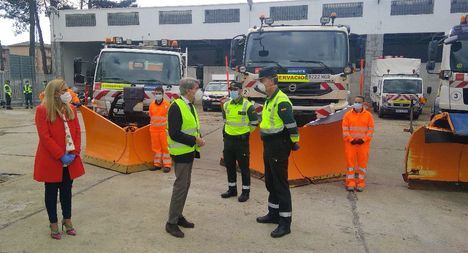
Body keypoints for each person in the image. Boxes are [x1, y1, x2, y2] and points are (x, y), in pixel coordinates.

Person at [34, 79, 85, 240]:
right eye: (64, 91)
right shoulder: (42, 110)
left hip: (70, 160)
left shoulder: (70, 109)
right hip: (52, 160)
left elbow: (77, 131)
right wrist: (60, 155)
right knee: (51, 193)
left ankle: (67, 220)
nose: (67, 93)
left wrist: (74, 153)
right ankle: (53, 223)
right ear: (55, 93)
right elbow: (45, 137)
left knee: (66, 192)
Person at [255, 67, 300, 238]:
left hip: (279, 145)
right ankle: (273, 214)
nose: (262, 84)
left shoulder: (281, 100)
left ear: (272, 81)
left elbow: (291, 125)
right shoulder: (269, 99)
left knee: (280, 184)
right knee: (270, 181)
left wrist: (294, 142)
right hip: (269, 144)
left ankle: (285, 223)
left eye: (263, 80)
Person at [165, 78, 205, 238]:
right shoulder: (176, 107)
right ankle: (171, 223)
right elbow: (174, 133)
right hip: (181, 154)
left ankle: (178, 215)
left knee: (185, 185)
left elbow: (193, 127)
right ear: (188, 90)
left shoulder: (189, 106)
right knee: (180, 187)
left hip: (189, 152)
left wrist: (198, 137)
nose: (198, 91)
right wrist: (195, 140)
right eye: (196, 88)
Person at [220, 81, 259, 202]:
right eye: (231, 89)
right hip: (228, 140)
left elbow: (254, 123)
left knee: (243, 168)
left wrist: (245, 133)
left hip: (241, 142)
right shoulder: (226, 105)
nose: (233, 91)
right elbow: (225, 120)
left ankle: (245, 192)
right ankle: (232, 189)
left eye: (235, 89)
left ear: (241, 91)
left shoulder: (248, 106)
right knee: (229, 166)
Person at [342, 96, 374, 192]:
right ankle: (350, 183)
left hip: (363, 145)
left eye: (359, 102)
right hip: (350, 144)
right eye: (355, 102)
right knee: (350, 165)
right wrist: (351, 139)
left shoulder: (368, 116)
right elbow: (345, 129)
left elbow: (370, 130)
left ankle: (361, 183)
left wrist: (363, 140)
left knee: (362, 165)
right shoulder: (347, 115)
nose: (357, 104)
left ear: (363, 103)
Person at [149, 86, 171, 173]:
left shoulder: (167, 105)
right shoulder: (151, 105)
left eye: (159, 93)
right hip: (154, 130)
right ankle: (157, 164)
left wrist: (168, 129)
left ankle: (167, 165)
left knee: (165, 148)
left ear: (163, 94)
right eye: (156, 93)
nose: (158, 95)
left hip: (163, 130)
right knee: (156, 149)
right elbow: (151, 117)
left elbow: (169, 118)